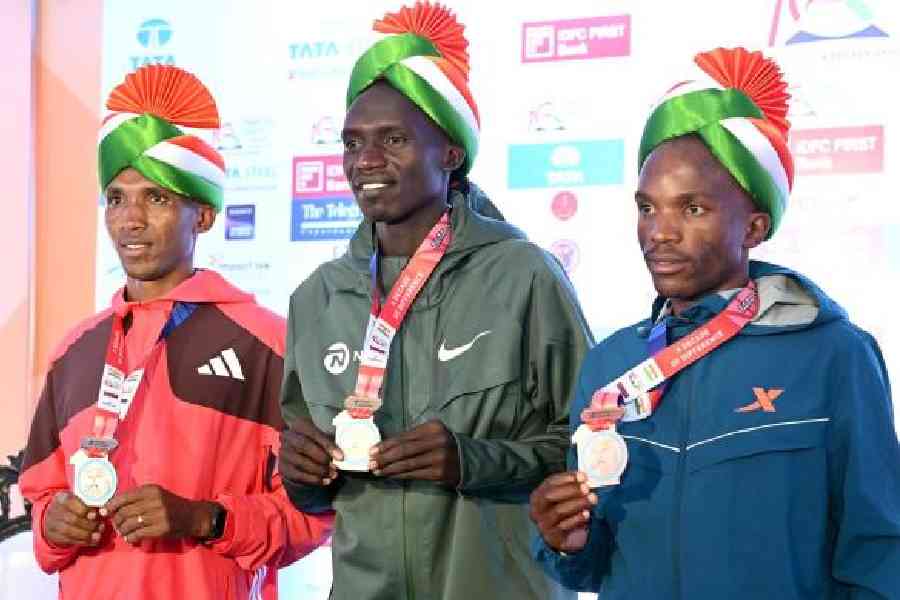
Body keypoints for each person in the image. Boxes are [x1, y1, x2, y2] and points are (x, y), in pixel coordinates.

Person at [529, 47, 900, 599]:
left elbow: (878, 552)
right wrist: (565, 541)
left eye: (692, 209)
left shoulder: (834, 355)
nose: (660, 232)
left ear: (754, 227)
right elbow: (590, 567)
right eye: (648, 207)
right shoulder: (612, 364)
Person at [277, 3, 593, 599]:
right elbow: (305, 475)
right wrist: (298, 474)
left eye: (393, 140)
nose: (365, 161)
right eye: (352, 143)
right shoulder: (316, 298)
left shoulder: (524, 275)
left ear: (450, 153)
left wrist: (472, 461)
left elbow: (590, 446)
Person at [19, 64, 333, 600]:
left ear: (204, 216)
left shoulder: (269, 345)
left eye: (156, 198)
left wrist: (207, 519)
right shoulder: (73, 351)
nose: (130, 220)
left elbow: (314, 515)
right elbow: (42, 496)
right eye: (116, 198)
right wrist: (53, 526)